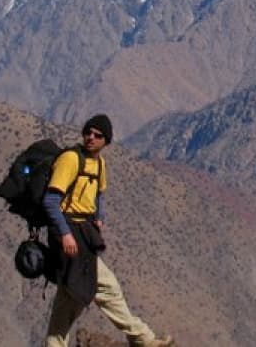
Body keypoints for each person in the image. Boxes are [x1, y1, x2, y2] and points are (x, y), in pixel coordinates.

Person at [42, 114, 174, 347]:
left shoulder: (99, 164)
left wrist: (98, 216)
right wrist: (65, 234)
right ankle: (144, 339)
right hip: (69, 233)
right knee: (107, 286)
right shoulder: (71, 160)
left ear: (106, 141)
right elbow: (51, 201)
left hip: (83, 232)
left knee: (70, 294)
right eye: (88, 133)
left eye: (98, 135)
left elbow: (99, 193)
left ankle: (54, 344)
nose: (91, 138)